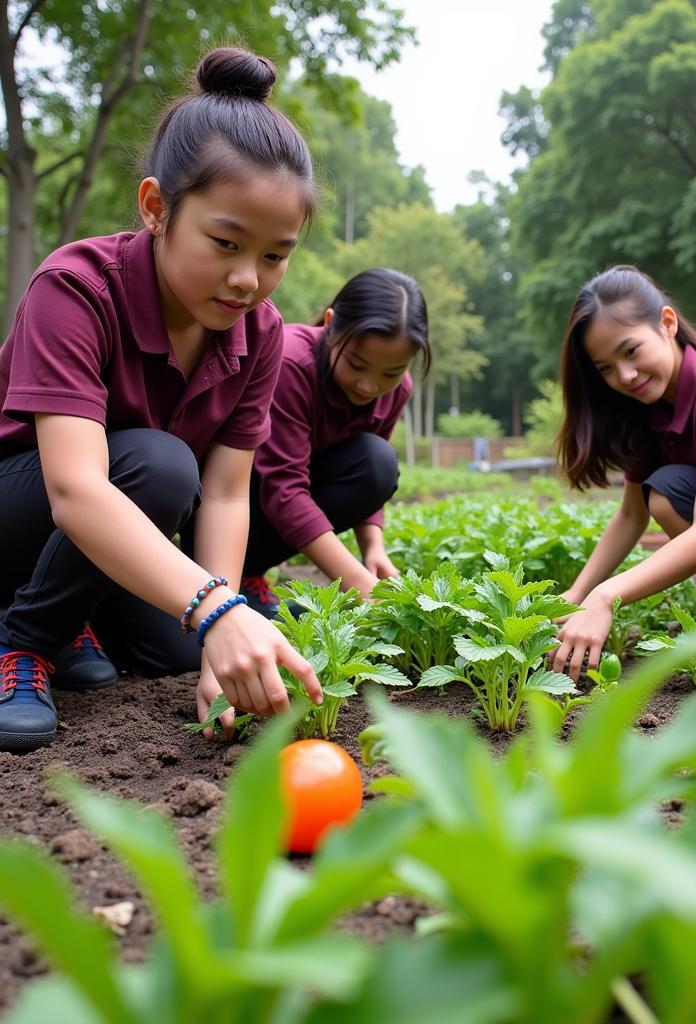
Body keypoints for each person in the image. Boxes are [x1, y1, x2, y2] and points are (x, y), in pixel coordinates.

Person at [0, 46, 323, 752]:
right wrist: (214, 608)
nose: (248, 279)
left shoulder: (259, 332)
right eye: (226, 242)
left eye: (274, 255)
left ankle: (75, 614)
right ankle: (20, 638)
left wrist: (221, 621)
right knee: (161, 462)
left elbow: (231, 493)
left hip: (108, 524)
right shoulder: (76, 287)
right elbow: (76, 490)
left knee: (181, 655)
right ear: (156, 208)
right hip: (19, 512)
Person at [550, 265, 696, 680]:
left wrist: (607, 597)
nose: (624, 376)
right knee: (663, 490)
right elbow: (630, 516)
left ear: (667, 323)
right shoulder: (648, 408)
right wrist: (578, 594)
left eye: (631, 351)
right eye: (605, 368)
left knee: (667, 494)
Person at [239, 269, 430, 613]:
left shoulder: (397, 390)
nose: (369, 386)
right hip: (231, 499)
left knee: (377, 461)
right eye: (357, 365)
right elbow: (285, 488)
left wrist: (373, 549)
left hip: (278, 507)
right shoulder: (290, 362)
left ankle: (248, 572)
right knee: (177, 648)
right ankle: (226, 568)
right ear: (330, 323)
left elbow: (369, 471)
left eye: (390, 372)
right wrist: (357, 582)